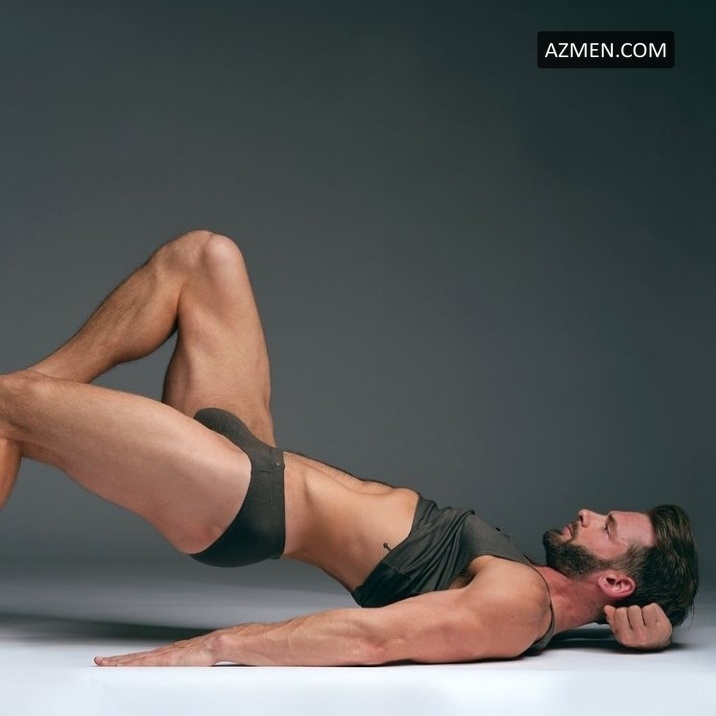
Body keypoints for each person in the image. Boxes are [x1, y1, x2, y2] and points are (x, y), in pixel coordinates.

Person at [0, 231, 698, 667]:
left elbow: (377, 639)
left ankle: (31, 396)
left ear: (616, 582)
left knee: (9, 407)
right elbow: (606, 617)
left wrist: (220, 645)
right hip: (253, 456)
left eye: (609, 529)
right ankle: (43, 386)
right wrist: (643, 634)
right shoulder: (538, 592)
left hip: (236, 500)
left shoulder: (519, 606)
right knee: (204, 257)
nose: (589, 513)